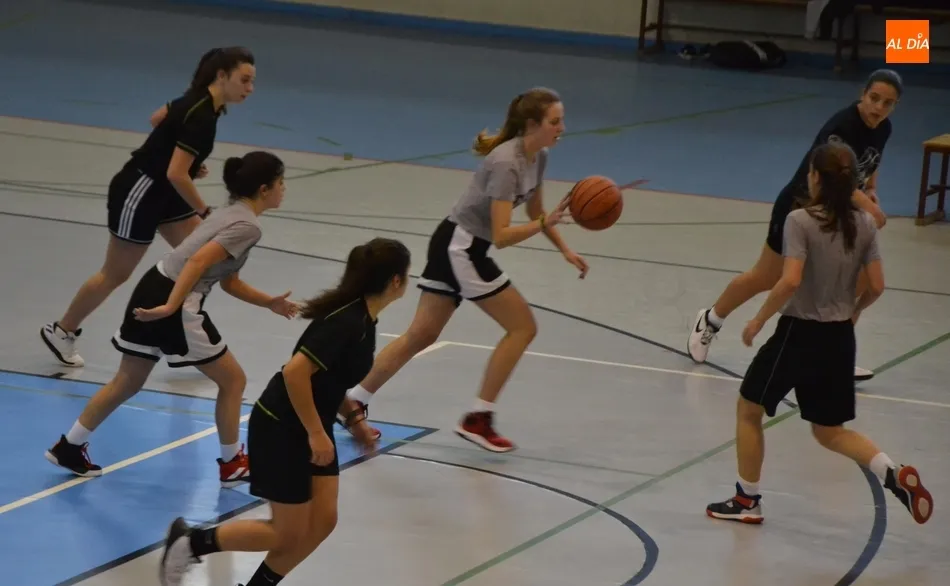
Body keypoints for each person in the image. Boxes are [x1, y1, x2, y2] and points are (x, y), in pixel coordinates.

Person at [334, 87, 588, 452]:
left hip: (459, 244)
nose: (562, 128)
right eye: (555, 121)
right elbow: (502, 235)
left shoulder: (539, 157)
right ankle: (478, 419)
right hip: (461, 246)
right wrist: (544, 223)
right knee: (523, 327)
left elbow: (536, 213)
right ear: (532, 124)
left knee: (421, 334)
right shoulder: (506, 163)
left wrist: (565, 249)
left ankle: (354, 400)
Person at [157, 237, 411, 586]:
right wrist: (316, 434)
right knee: (286, 533)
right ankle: (189, 543)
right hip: (283, 427)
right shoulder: (346, 321)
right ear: (395, 280)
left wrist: (354, 421)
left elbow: (332, 377)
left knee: (322, 521)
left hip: (310, 425)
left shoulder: (364, 320)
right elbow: (295, 373)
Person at [705, 141, 933, 527]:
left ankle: (747, 500)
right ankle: (892, 474)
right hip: (840, 338)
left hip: (799, 333)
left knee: (749, 408)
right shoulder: (865, 224)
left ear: (814, 178)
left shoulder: (800, 221)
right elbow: (877, 285)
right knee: (829, 431)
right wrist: (854, 311)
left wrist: (758, 319)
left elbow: (790, 280)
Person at [44, 151, 296, 487]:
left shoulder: (230, 214)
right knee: (233, 381)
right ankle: (232, 463)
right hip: (174, 297)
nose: (284, 189)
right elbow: (197, 263)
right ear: (264, 189)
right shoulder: (248, 226)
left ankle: (69, 446)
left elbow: (229, 281)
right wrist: (169, 307)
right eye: (281, 183)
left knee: (128, 381)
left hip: (154, 284)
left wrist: (269, 303)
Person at [40, 46, 256, 368]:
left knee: (201, 259)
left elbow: (158, 119)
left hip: (167, 193)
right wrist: (204, 211)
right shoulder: (200, 115)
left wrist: (177, 157)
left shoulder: (198, 102)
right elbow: (176, 173)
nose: (250, 89)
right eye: (245, 80)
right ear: (222, 76)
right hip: (140, 192)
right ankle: (62, 330)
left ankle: (186, 336)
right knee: (116, 273)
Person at [688, 69, 903, 383]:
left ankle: (832, 355)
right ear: (863, 94)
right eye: (874, 98)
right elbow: (835, 179)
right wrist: (870, 208)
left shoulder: (884, 127)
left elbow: (872, 160)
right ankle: (711, 319)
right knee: (766, 276)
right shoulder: (841, 127)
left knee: (856, 282)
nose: (879, 107)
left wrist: (871, 189)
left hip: (837, 211)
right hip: (800, 205)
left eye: (888, 103)